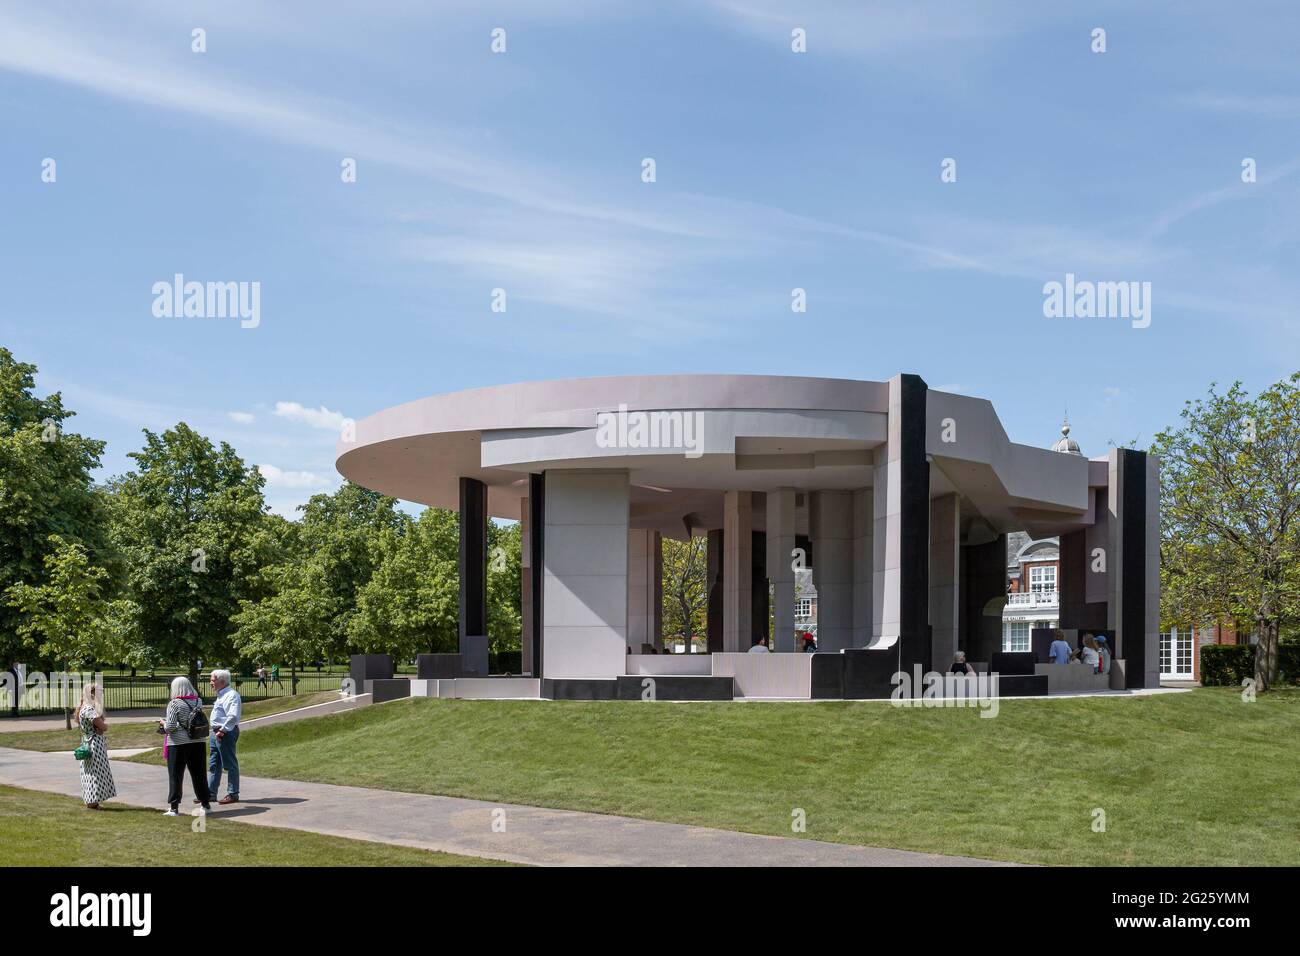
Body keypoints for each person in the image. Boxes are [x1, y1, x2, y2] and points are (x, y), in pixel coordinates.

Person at [159, 677, 211, 816]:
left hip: (178, 743)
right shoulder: (197, 701)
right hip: (197, 741)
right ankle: (205, 804)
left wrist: (162, 723)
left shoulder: (174, 703)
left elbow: (170, 727)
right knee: (199, 774)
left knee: (176, 775)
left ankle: (174, 807)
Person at [76, 683, 116, 810]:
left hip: (89, 741)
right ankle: (92, 802)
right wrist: (102, 728)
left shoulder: (84, 707)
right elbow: (104, 726)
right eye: (99, 693)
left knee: (90, 772)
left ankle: (93, 801)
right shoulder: (89, 709)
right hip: (94, 744)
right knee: (95, 772)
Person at [207, 668, 241, 805]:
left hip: (224, 733)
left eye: (212, 680)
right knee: (214, 764)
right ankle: (210, 793)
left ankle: (233, 793)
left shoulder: (231, 695)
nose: (210, 682)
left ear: (222, 681)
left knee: (229, 764)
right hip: (216, 732)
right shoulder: (221, 694)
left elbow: (233, 716)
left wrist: (222, 730)